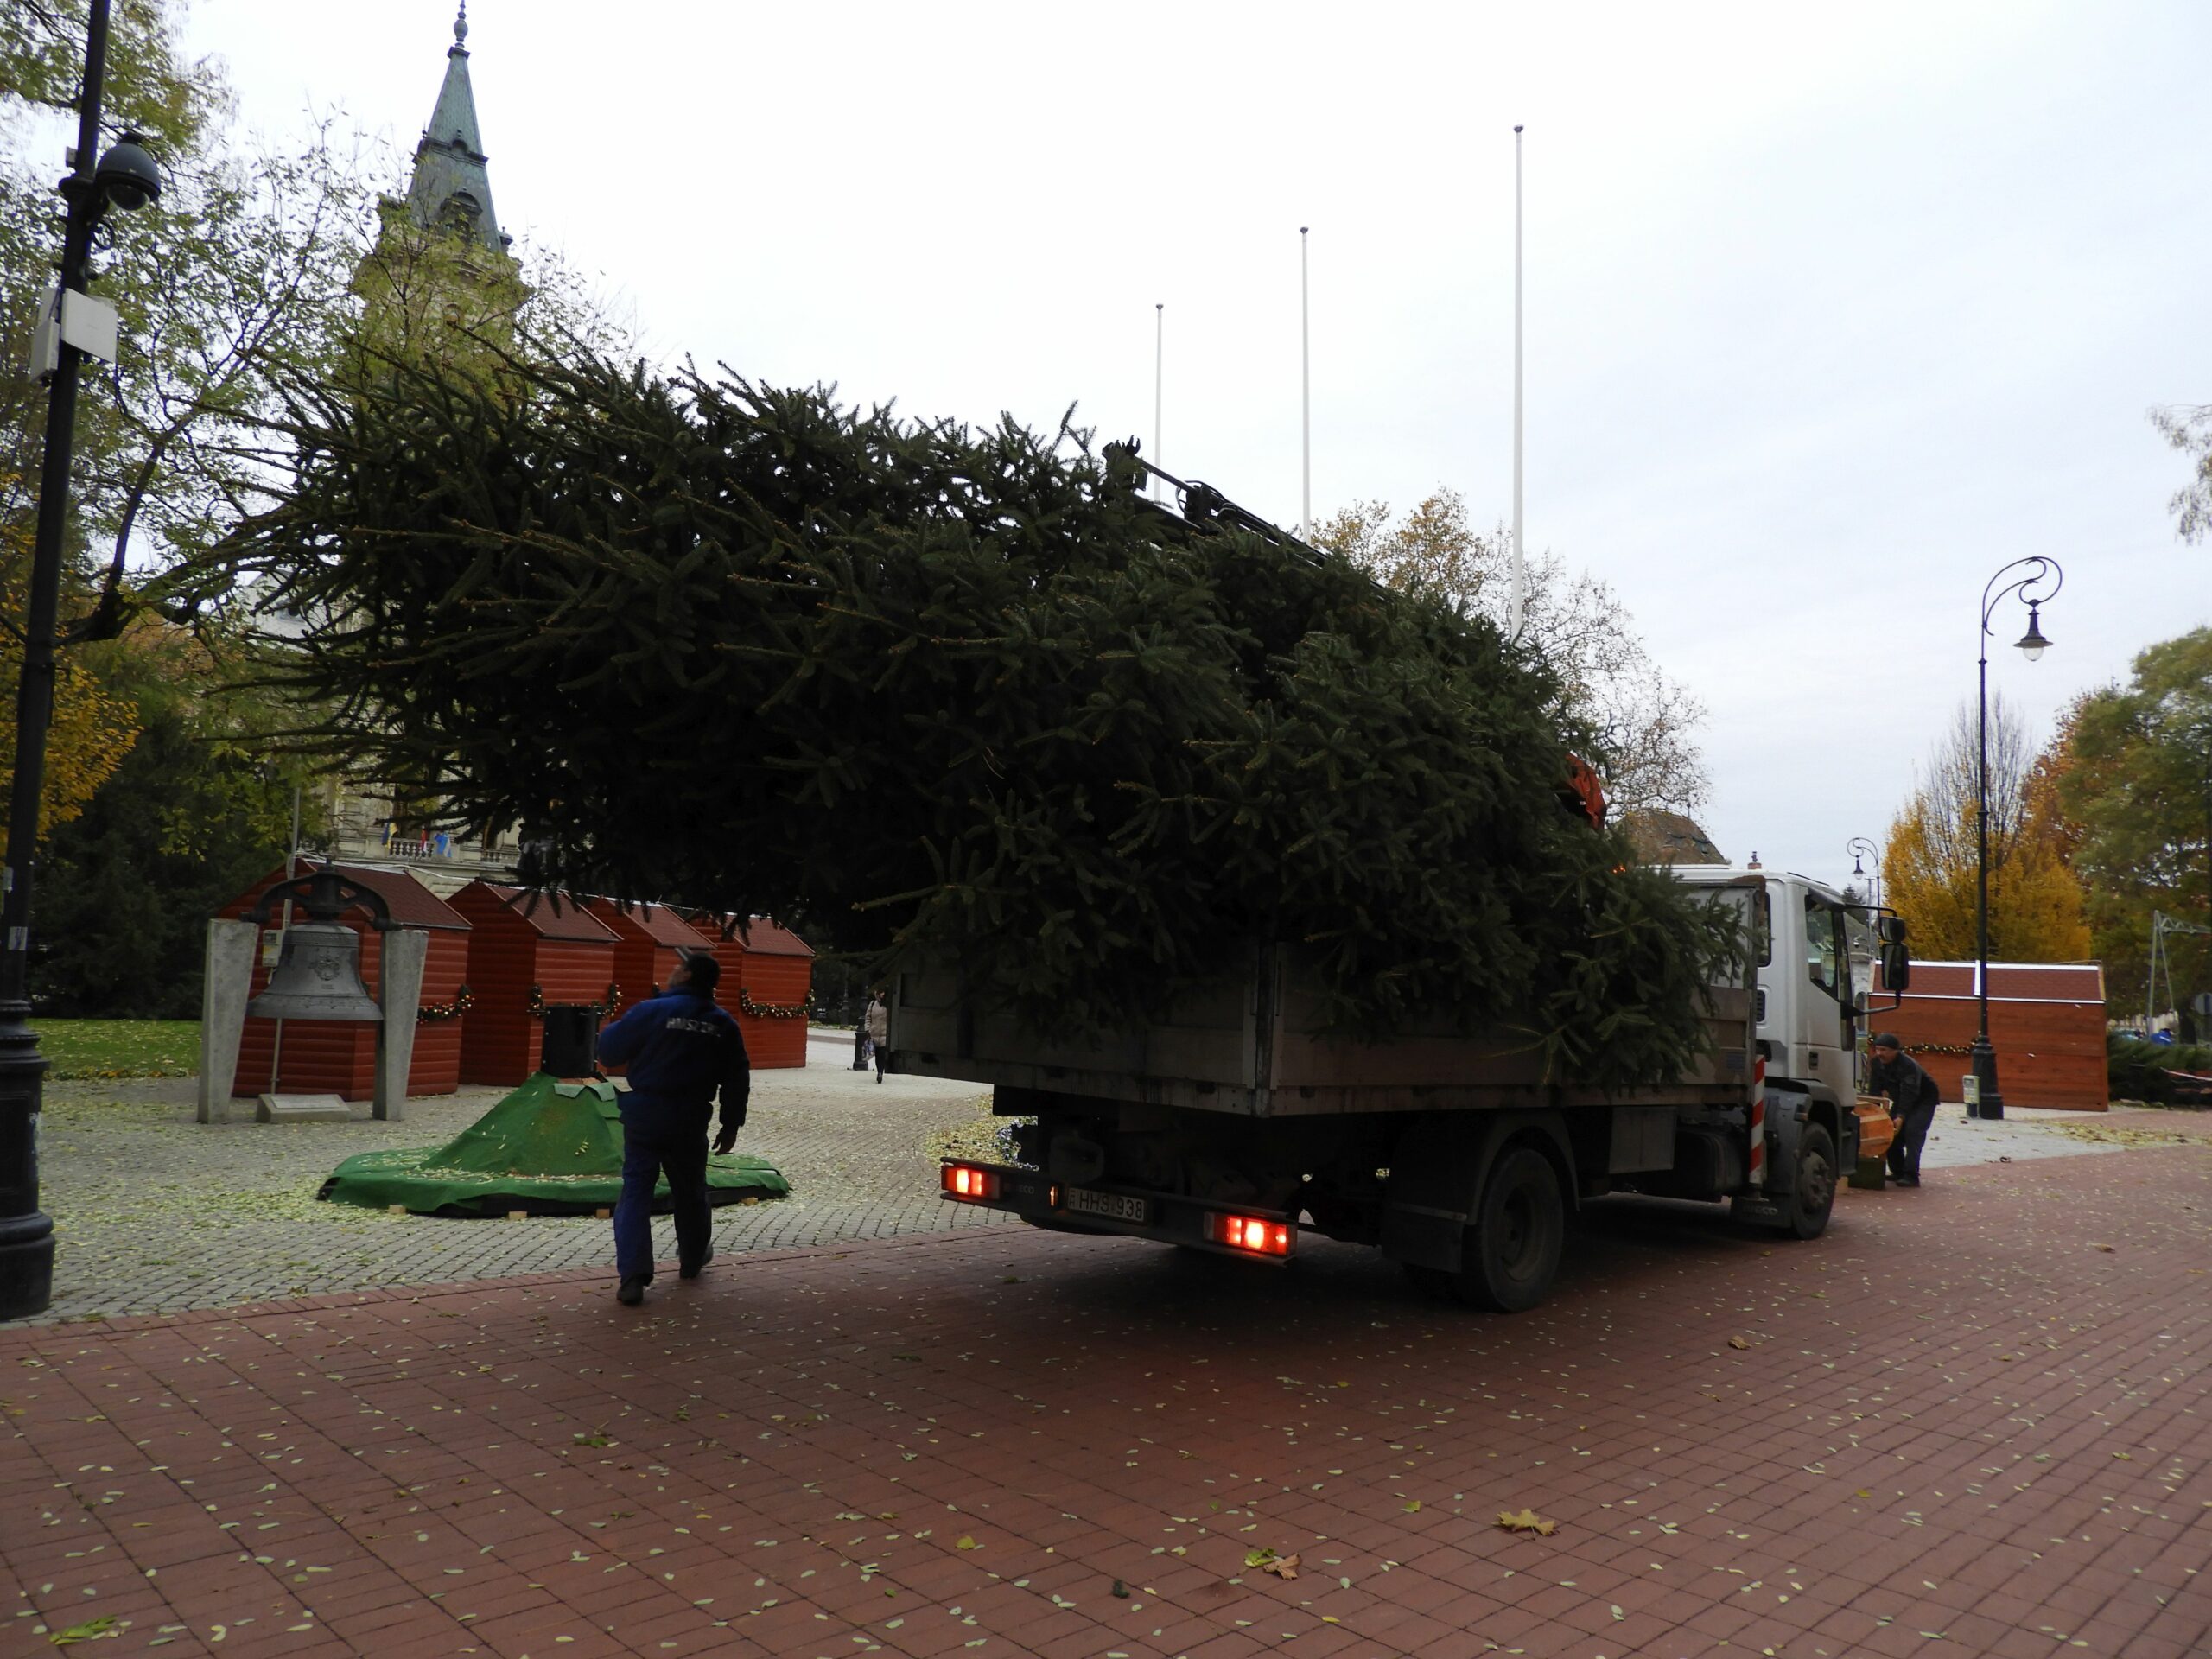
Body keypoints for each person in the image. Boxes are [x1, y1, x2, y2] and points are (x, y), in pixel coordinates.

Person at [595, 950, 751, 1306]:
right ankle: (693, 1257)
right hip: (691, 1117)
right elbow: (737, 1077)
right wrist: (731, 1124)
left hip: (646, 1114)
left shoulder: (651, 1011)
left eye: (677, 967)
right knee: (691, 1189)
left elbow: (609, 1051)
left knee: (636, 1190)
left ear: (686, 976)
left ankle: (633, 1276)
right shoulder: (723, 1024)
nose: (672, 970)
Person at [1867, 1032, 1942, 1186]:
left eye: (1884, 1050)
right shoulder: (1876, 1063)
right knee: (1890, 1132)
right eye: (1877, 1049)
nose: (1880, 1053)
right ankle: (1898, 1171)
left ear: (1896, 1051)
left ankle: (1911, 1175)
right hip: (1901, 1099)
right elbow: (1874, 1089)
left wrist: (1901, 1116)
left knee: (1913, 1132)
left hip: (1923, 1100)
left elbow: (1910, 1092)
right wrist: (1874, 1112)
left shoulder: (1908, 1065)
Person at [865, 992, 890, 1084]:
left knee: (882, 1054)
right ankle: (879, 1071)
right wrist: (867, 1029)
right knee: (877, 1055)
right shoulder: (872, 1004)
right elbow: (868, 1017)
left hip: (885, 1034)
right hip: (874, 1034)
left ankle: (880, 1073)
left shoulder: (888, 1004)